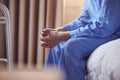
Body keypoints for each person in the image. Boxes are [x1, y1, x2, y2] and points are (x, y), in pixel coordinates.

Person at [40, 0, 120, 80]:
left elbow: (104, 28)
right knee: (57, 45)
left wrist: (63, 35)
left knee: (71, 47)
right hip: (98, 31)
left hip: (112, 34)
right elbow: (84, 19)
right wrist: (61, 30)